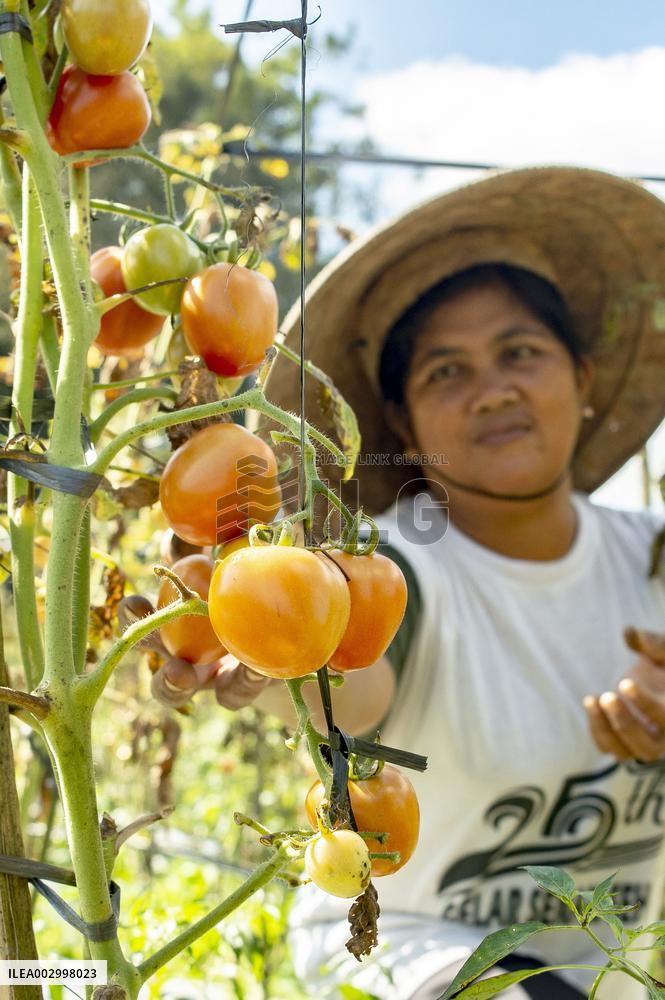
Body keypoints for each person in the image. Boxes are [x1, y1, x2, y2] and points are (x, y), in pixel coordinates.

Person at [153, 166, 665, 999]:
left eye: (520, 352)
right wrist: (269, 649)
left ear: (582, 375)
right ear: (402, 423)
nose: (492, 389)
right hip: (409, 958)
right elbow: (348, 674)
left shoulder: (654, 557)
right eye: (444, 373)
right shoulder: (388, 568)